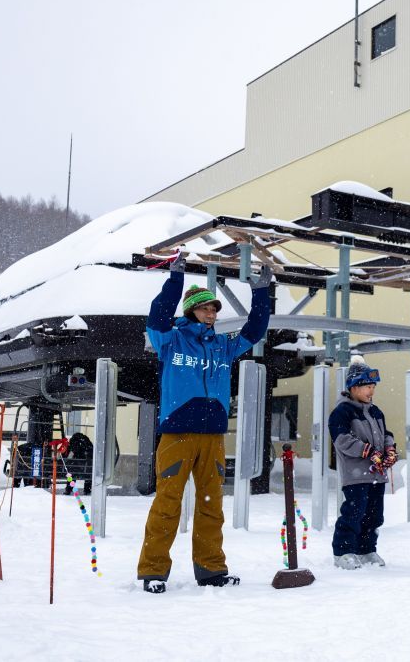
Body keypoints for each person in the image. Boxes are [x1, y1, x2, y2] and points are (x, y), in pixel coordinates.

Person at [137, 252, 273, 593]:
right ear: (191, 311)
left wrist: (261, 293)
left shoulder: (223, 347)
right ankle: (153, 571)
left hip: (213, 436)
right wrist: (176, 279)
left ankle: (211, 569)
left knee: (212, 506)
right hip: (177, 436)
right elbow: (157, 316)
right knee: (167, 504)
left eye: (214, 309)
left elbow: (255, 330)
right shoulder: (169, 340)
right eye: (205, 308)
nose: (211, 313)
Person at [329, 356, 397, 570]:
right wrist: (367, 451)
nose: (371, 391)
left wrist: (389, 449)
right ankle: (344, 551)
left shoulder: (376, 412)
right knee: (354, 512)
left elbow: (386, 434)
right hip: (356, 474)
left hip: (377, 474)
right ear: (353, 387)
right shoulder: (342, 412)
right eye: (367, 386)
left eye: (373, 386)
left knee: (374, 515)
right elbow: (342, 440)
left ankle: (367, 549)